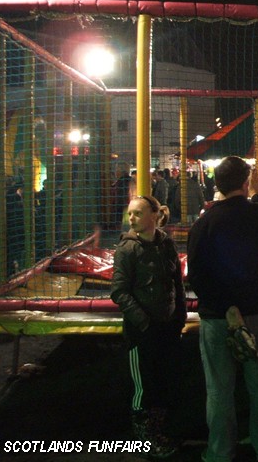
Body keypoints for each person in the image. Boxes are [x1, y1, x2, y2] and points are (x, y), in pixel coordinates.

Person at [187, 156, 258, 462]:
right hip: (256, 311)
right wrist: (256, 193)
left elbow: (197, 274)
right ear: (246, 182)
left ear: (217, 185)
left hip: (218, 315)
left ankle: (220, 451)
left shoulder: (204, 223)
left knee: (219, 388)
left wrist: (225, 306)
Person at [110, 194, 185, 458]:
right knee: (144, 387)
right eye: (130, 214)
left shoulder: (165, 244)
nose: (132, 218)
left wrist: (179, 317)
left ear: (154, 216)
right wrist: (143, 323)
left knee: (162, 382)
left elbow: (177, 282)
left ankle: (158, 434)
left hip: (166, 327)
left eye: (138, 213)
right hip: (142, 332)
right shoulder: (127, 249)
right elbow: (119, 291)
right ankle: (144, 440)